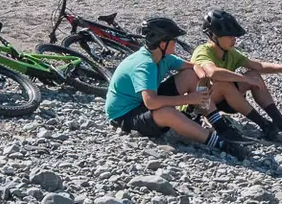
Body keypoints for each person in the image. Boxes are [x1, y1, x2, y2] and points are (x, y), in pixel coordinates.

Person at [104, 16, 247, 160]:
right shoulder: (145, 65)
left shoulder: (162, 57)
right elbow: (151, 102)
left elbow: (194, 66)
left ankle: (220, 126)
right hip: (124, 116)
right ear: (162, 43)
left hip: (141, 103)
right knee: (168, 113)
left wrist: (203, 78)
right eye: (174, 41)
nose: (176, 44)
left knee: (189, 75)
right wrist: (189, 99)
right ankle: (220, 143)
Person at [190, 10, 282, 142]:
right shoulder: (203, 51)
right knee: (223, 84)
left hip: (223, 100)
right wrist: (244, 78)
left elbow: (258, 66)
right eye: (229, 36)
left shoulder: (230, 52)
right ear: (214, 36)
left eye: (234, 36)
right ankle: (264, 124)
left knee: (254, 75)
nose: (234, 39)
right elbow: (213, 72)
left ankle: (280, 122)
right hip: (200, 104)